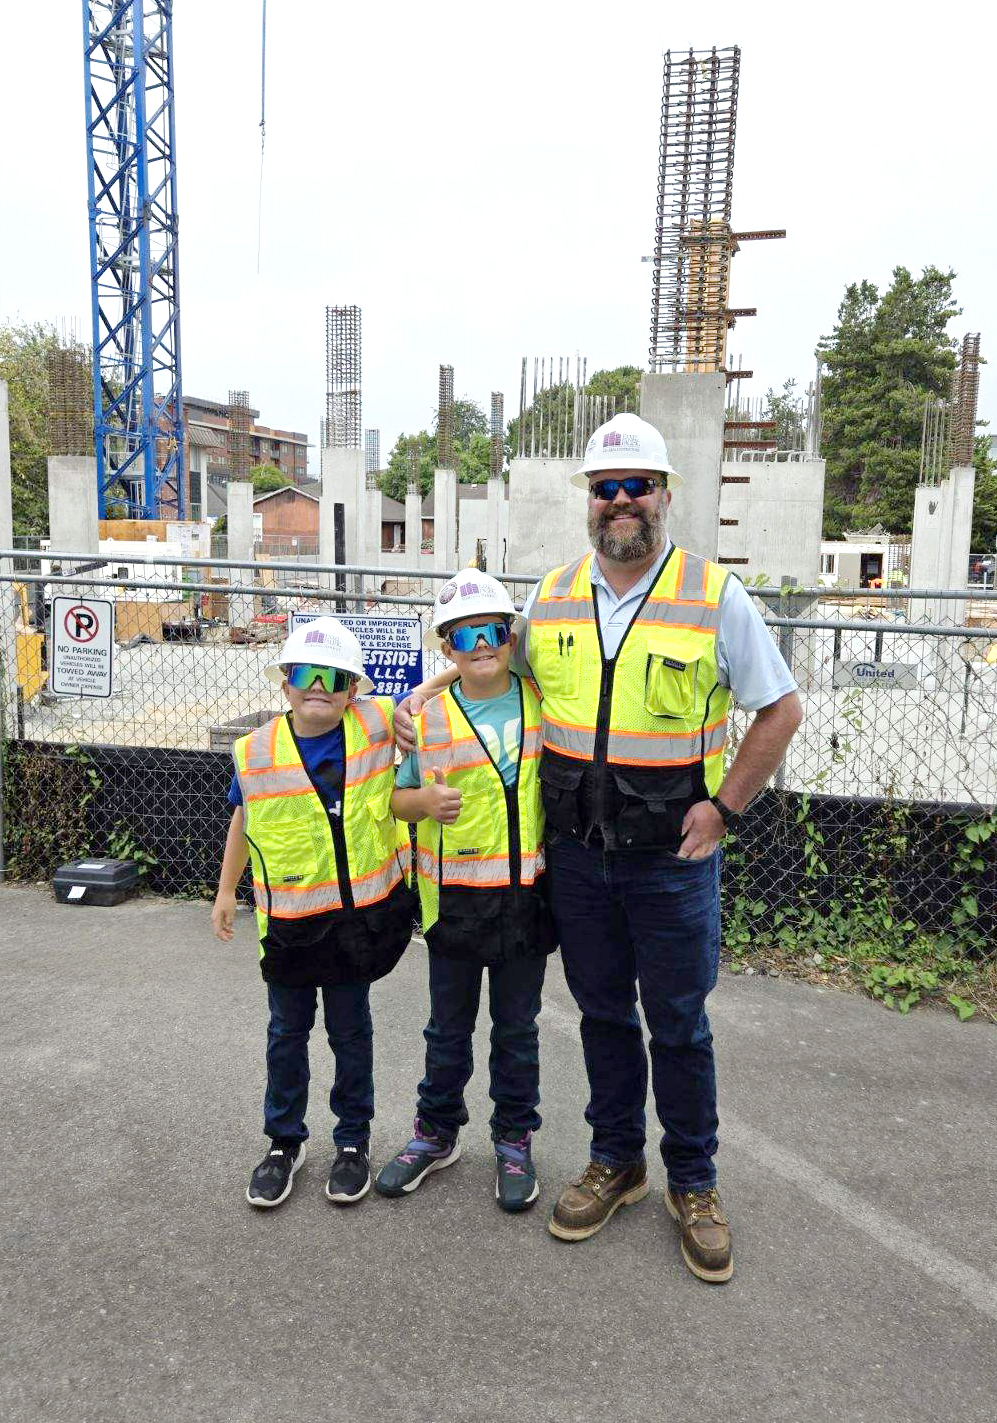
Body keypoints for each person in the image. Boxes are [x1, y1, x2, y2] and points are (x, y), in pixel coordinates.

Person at [396, 413, 802, 1282]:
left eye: (636, 486)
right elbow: (494, 667)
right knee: (602, 1014)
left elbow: (779, 711)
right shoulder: (551, 596)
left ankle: (692, 1180)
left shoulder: (712, 594)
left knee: (680, 1024)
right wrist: (423, 691)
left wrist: (724, 809)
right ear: (589, 501)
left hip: (670, 860)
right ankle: (617, 1161)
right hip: (576, 857)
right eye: (604, 488)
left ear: (664, 495)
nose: (620, 502)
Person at [212, 616, 413, 1211]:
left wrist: (455, 659)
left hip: (357, 926)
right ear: (285, 685)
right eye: (305, 673)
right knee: (286, 1035)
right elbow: (243, 821)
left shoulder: (376, 727)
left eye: (333, 676)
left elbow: (432, 695)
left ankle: (353, 1142)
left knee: (351, 1034)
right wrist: (227, 892)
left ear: (354, 689)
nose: (318, 686)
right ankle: (284, 1143)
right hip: (291, 927)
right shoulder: (255, 753)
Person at [374, 573, 557, 1212]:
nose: (483, 645)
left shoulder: (541, 700)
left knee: (517, 1029)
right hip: (452, 904)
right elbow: (394, 801)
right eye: (465, 636)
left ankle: (513, 1138)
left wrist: (426, 683)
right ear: (447, 646)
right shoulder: (425, 723)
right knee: (446, 1029)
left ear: (512, 636)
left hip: (527, 901)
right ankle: (436, 1132)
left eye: (494, 632)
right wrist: (419, 800)